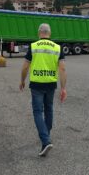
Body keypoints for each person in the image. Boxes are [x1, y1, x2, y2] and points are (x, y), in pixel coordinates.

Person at [19, 23, 67, 157]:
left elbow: (25, 67)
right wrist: (63, 88)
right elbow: (62, 69)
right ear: (49, 33)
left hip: (36, 84)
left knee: (38, 111)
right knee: (49, 109)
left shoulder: (33, 47)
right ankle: (46, 134)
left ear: (39, 33)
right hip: (51, 84)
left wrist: (22, 80)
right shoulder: (58, 48)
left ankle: (45, 141)